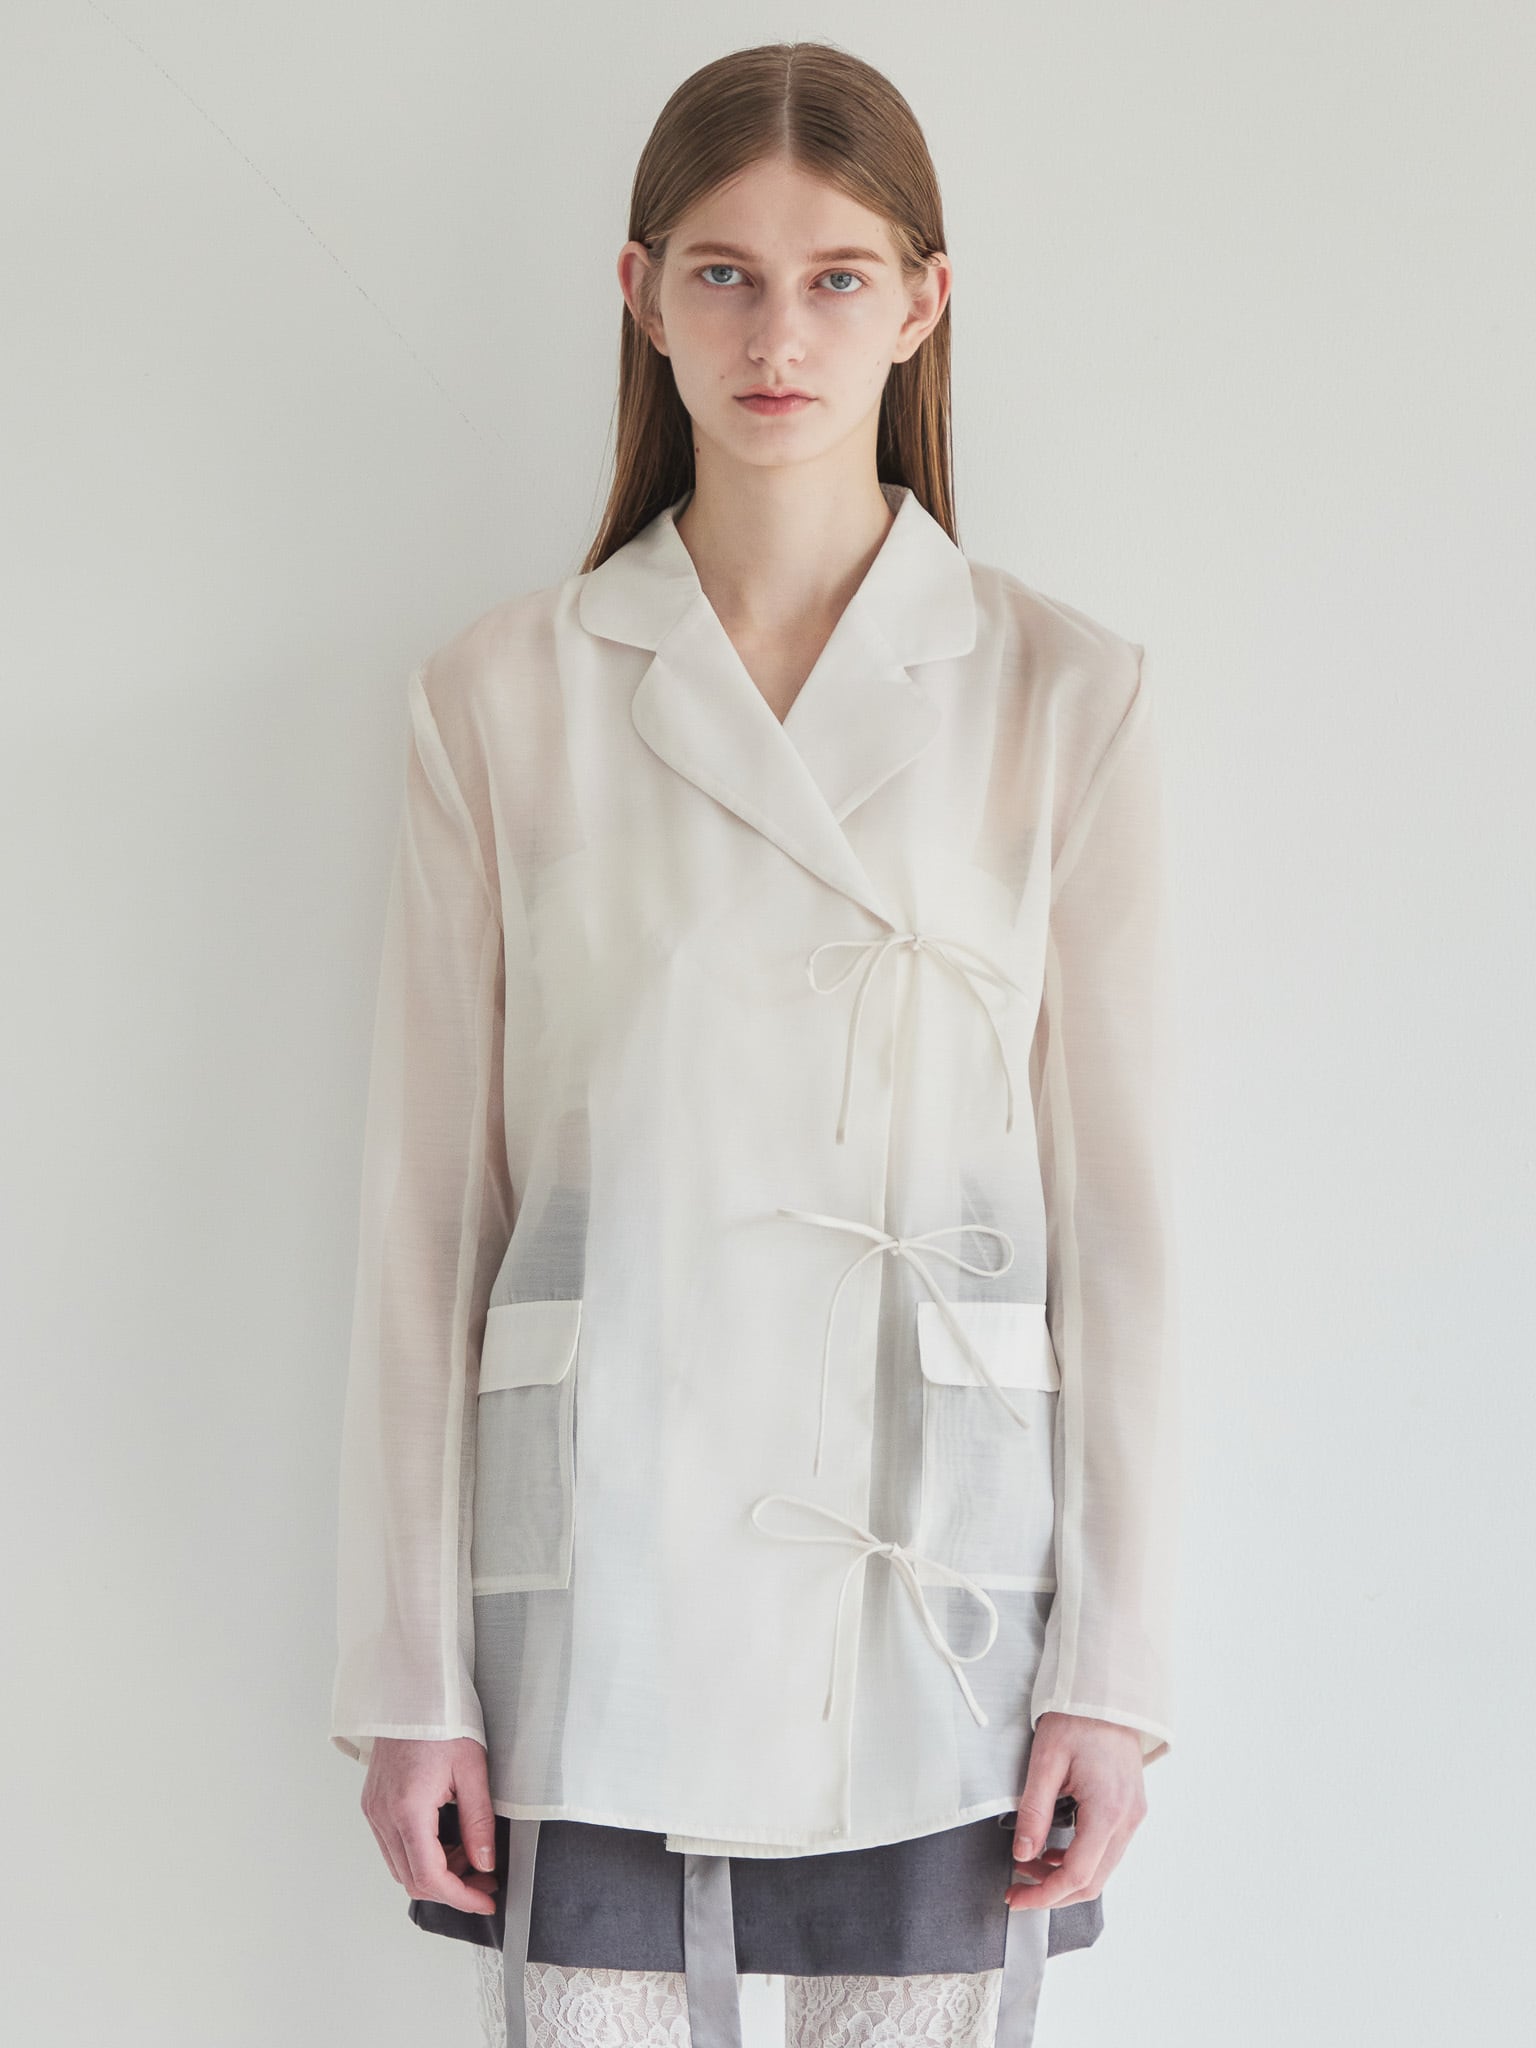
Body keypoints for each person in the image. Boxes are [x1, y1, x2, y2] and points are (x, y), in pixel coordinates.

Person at [329, 39, 1180, 2048]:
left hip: (939, 1594)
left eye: (835, 277)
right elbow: (430, 1217)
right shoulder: (504, 695)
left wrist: (1117, 1665)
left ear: (923, 303)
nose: (778, 334)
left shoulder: (1061, 693)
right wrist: (409, 1676)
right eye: (723, 274)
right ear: (641, 294)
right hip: (605, 1584)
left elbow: (1122, 1227)